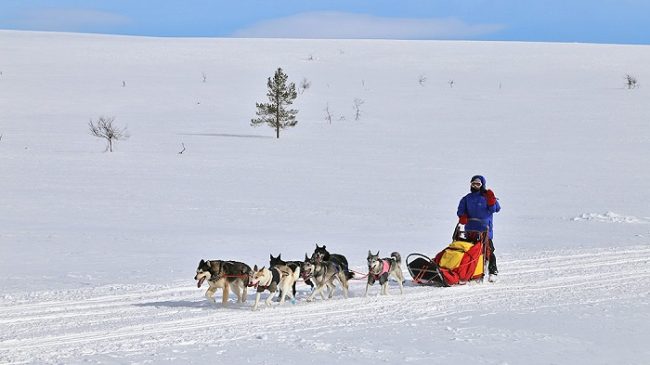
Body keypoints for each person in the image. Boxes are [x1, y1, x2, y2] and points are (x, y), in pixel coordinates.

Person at [457, 175, 501, 282]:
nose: (475, 186)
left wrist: (492, 201)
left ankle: (492, 272)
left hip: (485, 229)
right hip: (470, 229)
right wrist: (462, 216)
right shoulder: (467, 198)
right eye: (473, 184)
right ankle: (467, 270)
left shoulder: (487, 196)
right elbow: (460, 210)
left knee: (488, 250)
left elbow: (496, 209)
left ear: (482, 185)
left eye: (478, 184)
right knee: (468, 250)